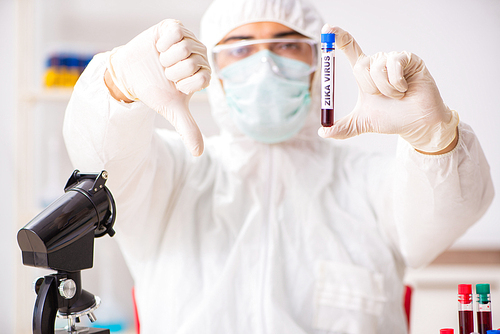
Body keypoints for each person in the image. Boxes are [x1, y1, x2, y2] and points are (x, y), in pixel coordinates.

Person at [63, 0, 494, 332]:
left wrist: (434, 139)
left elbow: (447, 213)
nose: (266, 64)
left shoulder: (368, 180)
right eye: (241, 48)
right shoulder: (175, 172)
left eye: (287, 45)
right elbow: (98, 161)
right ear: (212, 65)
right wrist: (116, 84)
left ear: (316, 65)